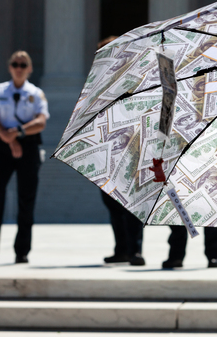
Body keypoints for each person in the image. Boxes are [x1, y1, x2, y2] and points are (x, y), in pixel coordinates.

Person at [0, 51, 49, 266]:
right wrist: (9, 138)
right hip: (3, 147)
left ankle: (22, 251)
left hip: (28, 145)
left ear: (29, 68)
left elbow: (41, 122)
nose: (19, 67)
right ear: (9, 67)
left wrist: (17, 133)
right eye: (15, 63)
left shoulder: (36, 93)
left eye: (23, 64)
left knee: (26, 200)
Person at [97, 35, 145, 266]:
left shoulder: (132, 80)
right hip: (107, 152)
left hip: (131, 149)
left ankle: (135, 250)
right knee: (112, 203)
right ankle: (122, 249)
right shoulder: (97, 85)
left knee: (132, 203)